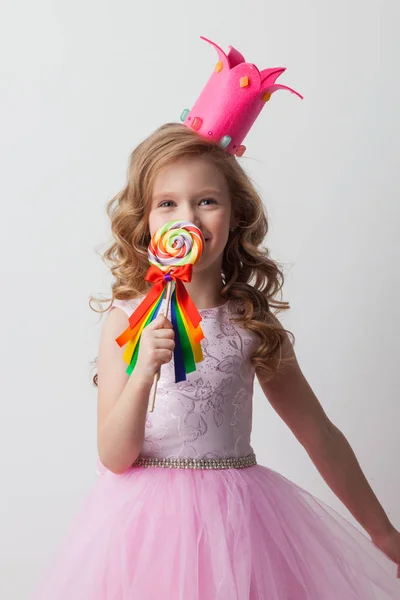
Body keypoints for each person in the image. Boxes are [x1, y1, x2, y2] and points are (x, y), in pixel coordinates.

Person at [30, 121, 400, 599]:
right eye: (167, 203)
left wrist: (382, 531)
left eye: (207, 200)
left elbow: (319, 434)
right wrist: (143, 371)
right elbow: (113, 457)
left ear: (235, 214)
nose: (189, 218)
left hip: (242, 525)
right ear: (144, 222)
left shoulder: (250, 322)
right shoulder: (126, 322)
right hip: (145, 533)